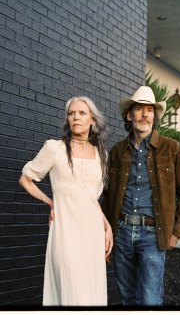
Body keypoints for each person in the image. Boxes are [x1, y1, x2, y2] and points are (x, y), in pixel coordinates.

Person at [101, 85, 180, 306]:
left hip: (153, 234)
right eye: (139, 109)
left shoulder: (172, 149)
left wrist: (177, 231)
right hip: (122, 232)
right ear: (129, 115)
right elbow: (107, 194)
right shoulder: (116, 151)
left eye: (150, 110)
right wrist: (104, 234)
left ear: (155, 116)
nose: (145, 114)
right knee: (127, 298)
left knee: (150, 301)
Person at [19, 96, 113, 306]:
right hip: (66, 232)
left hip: (92, 234)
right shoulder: (55, 149)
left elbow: (92, 199)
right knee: (72, 294)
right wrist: (50, 202)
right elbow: (25, 179)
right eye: (71, 113)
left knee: (92, 295)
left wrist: (107, 228)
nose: (76, 118)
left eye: (81, 113)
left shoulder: (102, 155)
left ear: (92, 121)